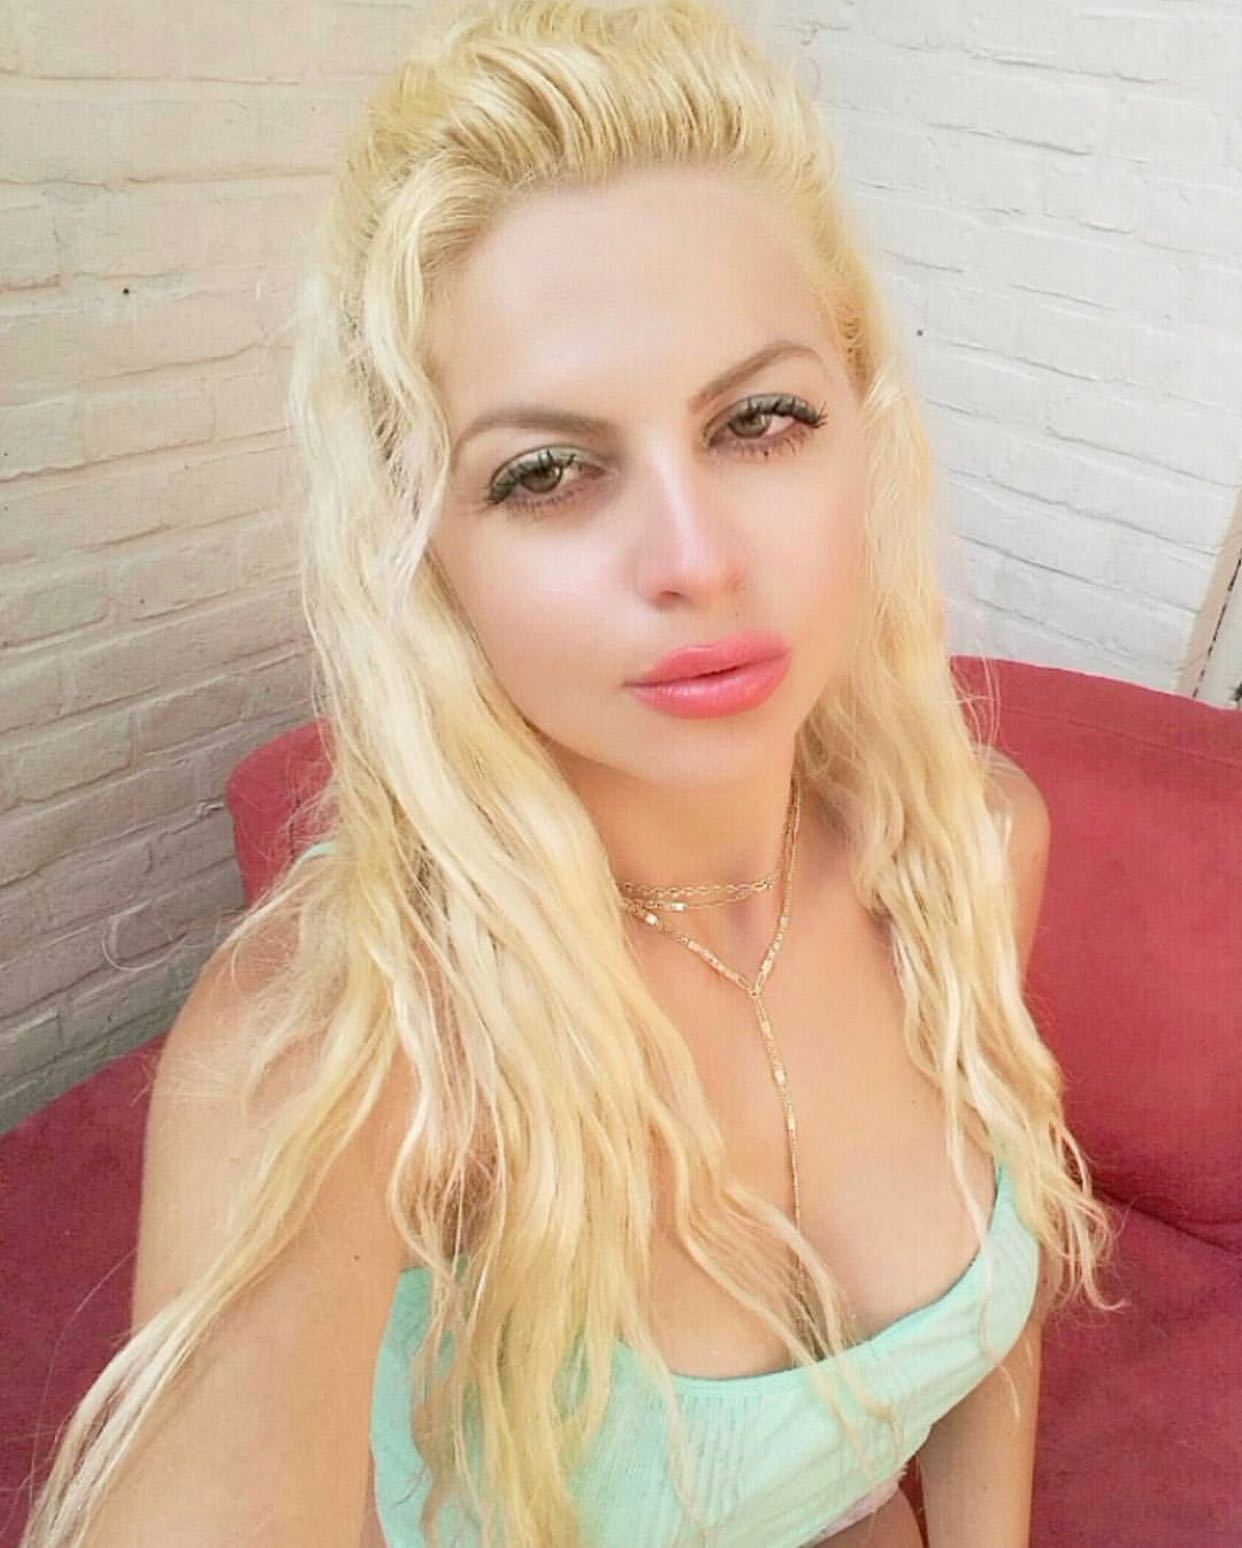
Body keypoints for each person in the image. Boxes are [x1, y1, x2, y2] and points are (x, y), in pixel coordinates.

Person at [22, 2, 1124, 1545]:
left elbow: (985, 1345)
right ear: (426, 547)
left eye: (760, 421)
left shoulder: (970, 848)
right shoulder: (356, 1043)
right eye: (544, 472)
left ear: (863, 434)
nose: (692, 557)